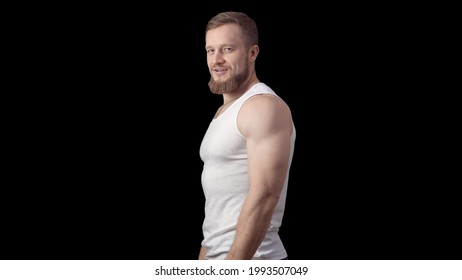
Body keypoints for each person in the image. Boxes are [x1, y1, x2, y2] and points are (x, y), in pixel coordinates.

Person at [198, 11, 296, 260]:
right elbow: (218, 216)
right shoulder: (225, 112)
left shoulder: (262, 106)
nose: (216, 60)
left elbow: (264, 195)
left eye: (227, 49)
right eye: (211, 50)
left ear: (253, 53)